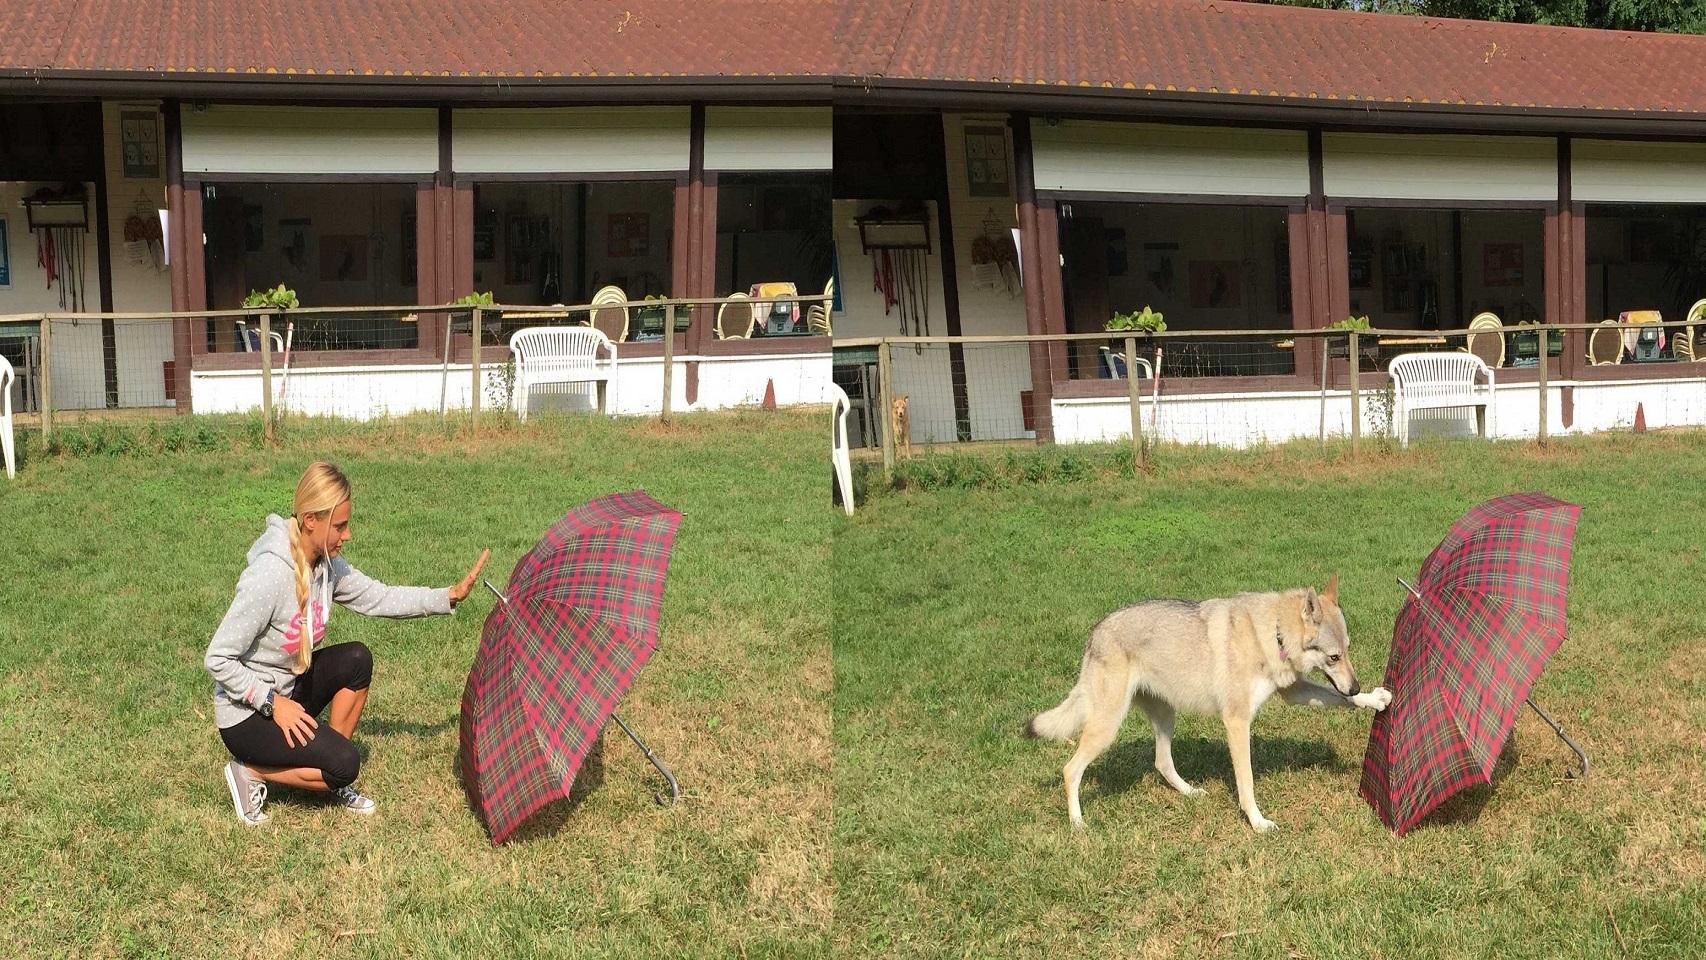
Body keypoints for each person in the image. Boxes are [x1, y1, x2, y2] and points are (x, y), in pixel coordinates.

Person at [205, 461, 487, 825]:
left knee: (357, 658)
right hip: (246, 716)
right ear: (311, 521)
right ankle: (251, 771)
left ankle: (324, 762)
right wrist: (273, 705)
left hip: (287, 691)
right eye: (339, 525)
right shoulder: (270, 576)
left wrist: (447, 596)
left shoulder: (325, 565)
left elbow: (379, 597)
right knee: (346, 766)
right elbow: (218, 658)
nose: (347, 534)